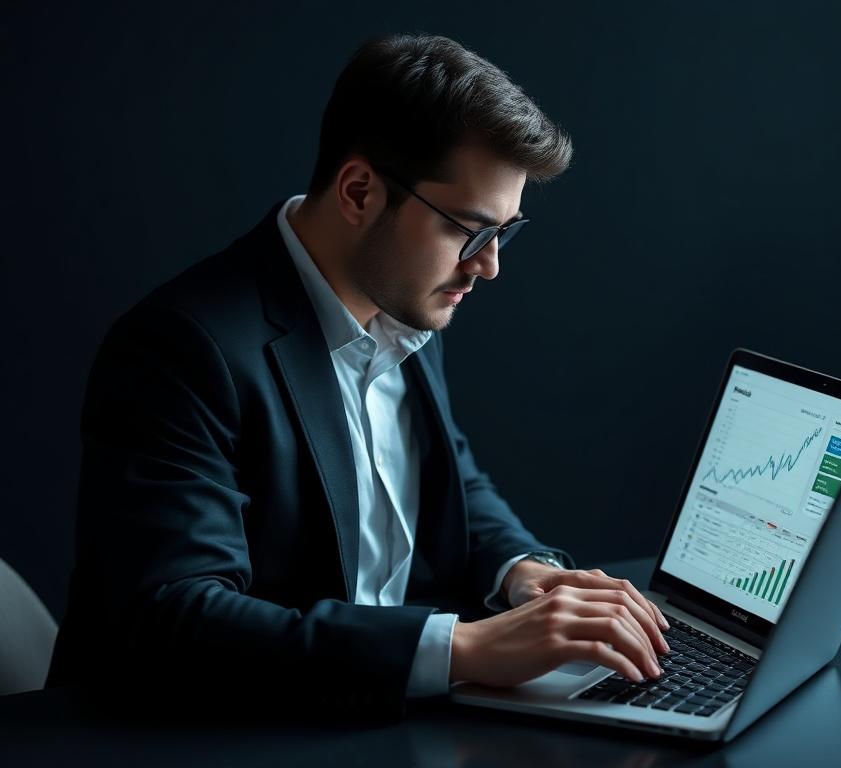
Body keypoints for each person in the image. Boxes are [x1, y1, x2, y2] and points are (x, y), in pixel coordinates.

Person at [47, 33, 669, 721]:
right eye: (471, 231)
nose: (488, 266)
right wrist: (462, 649)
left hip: (369, 717)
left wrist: (523, 573)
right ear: (359, 191)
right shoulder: (181, 348)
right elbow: (177, 615)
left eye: (505, 233)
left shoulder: (406, 295)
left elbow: (450, 478)